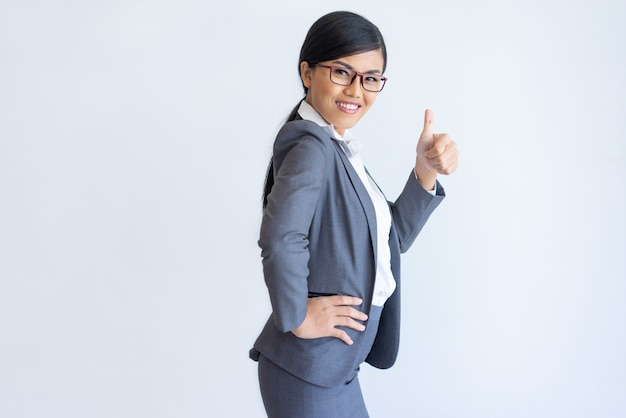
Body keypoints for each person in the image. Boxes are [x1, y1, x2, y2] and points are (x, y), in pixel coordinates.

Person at [249, 10, 459, 418]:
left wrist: (425, 171)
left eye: (371, 77)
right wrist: (297, 318)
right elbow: (280, 237)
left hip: (334, 368)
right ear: (307, 73)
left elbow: (390, 241)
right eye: (342, 72)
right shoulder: (311, 146)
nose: (357, 90)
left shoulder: (336, 149)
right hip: (307, 369)